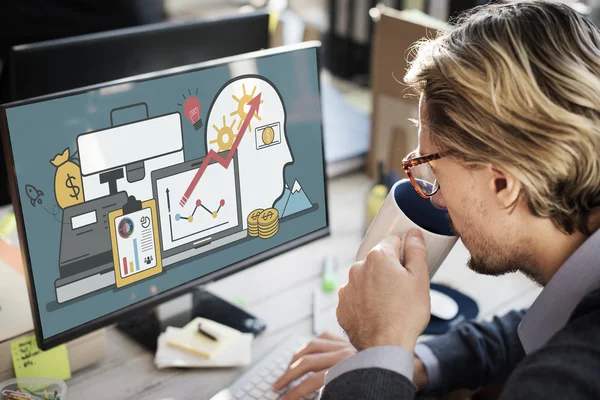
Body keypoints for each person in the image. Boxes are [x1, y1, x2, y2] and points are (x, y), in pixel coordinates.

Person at [273, 1, 600, 399]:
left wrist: (381, 347)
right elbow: (539, 328)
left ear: (503, 184)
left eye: (433, 171)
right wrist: (410, 362)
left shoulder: (566, 383)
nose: (437, 199)